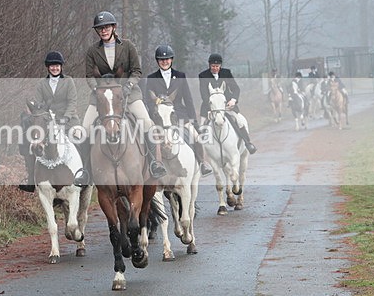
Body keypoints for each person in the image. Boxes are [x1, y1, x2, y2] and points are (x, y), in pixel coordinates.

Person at [74, 11, 167, 186]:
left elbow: (137, 71)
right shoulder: (93, 51)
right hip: (102, 96)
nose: (103, 30)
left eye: (106, 27)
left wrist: (128, 86)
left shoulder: (128, 46)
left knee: (147, 123)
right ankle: (85, 170)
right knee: (84, 128)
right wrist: (97, 89)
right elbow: (89, 75)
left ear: (113, 28)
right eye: (100, 28)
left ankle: (155, 163)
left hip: (129, 94)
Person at [19, 50, 83, 192]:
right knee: (31, 142)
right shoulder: (42, 84)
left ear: (61, 67)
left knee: (80, 139)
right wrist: (36, 110)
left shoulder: (68, 81)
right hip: (47, 121)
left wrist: (66, 117)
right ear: (48, 67)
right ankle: (31, 179)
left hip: (68, 119)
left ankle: (83, 175)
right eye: (52, 66)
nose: (55, 68)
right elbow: (39, 103)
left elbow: (72, 102)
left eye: (57, 66)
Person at [143, 44, 212, 176]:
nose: (165, 62)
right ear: (158, 61)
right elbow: (148, 101)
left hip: (179, 115)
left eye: (167, 59)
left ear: (172, 59)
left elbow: (188, 100)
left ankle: (203, 162)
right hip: (160, 118)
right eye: (162, 60)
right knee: (149, 138)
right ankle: (153, 165)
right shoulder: (151, 78)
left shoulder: (180, 76)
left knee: (196, 136)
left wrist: (194, 122)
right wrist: (155, 114)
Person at [198, 53, 257, 154]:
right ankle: (202, 155)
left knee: (239, 121)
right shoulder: (203, 75)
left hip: (227, 106)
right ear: (209, 65)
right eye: (213, 66)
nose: (215, 68)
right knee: (201, 128)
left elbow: (236, 88)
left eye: (217, 66)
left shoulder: (226, 73)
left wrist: (233, 100)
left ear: (220, 65)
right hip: (210, 107)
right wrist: (211, 107)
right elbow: (204, 95)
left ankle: (248, 143)